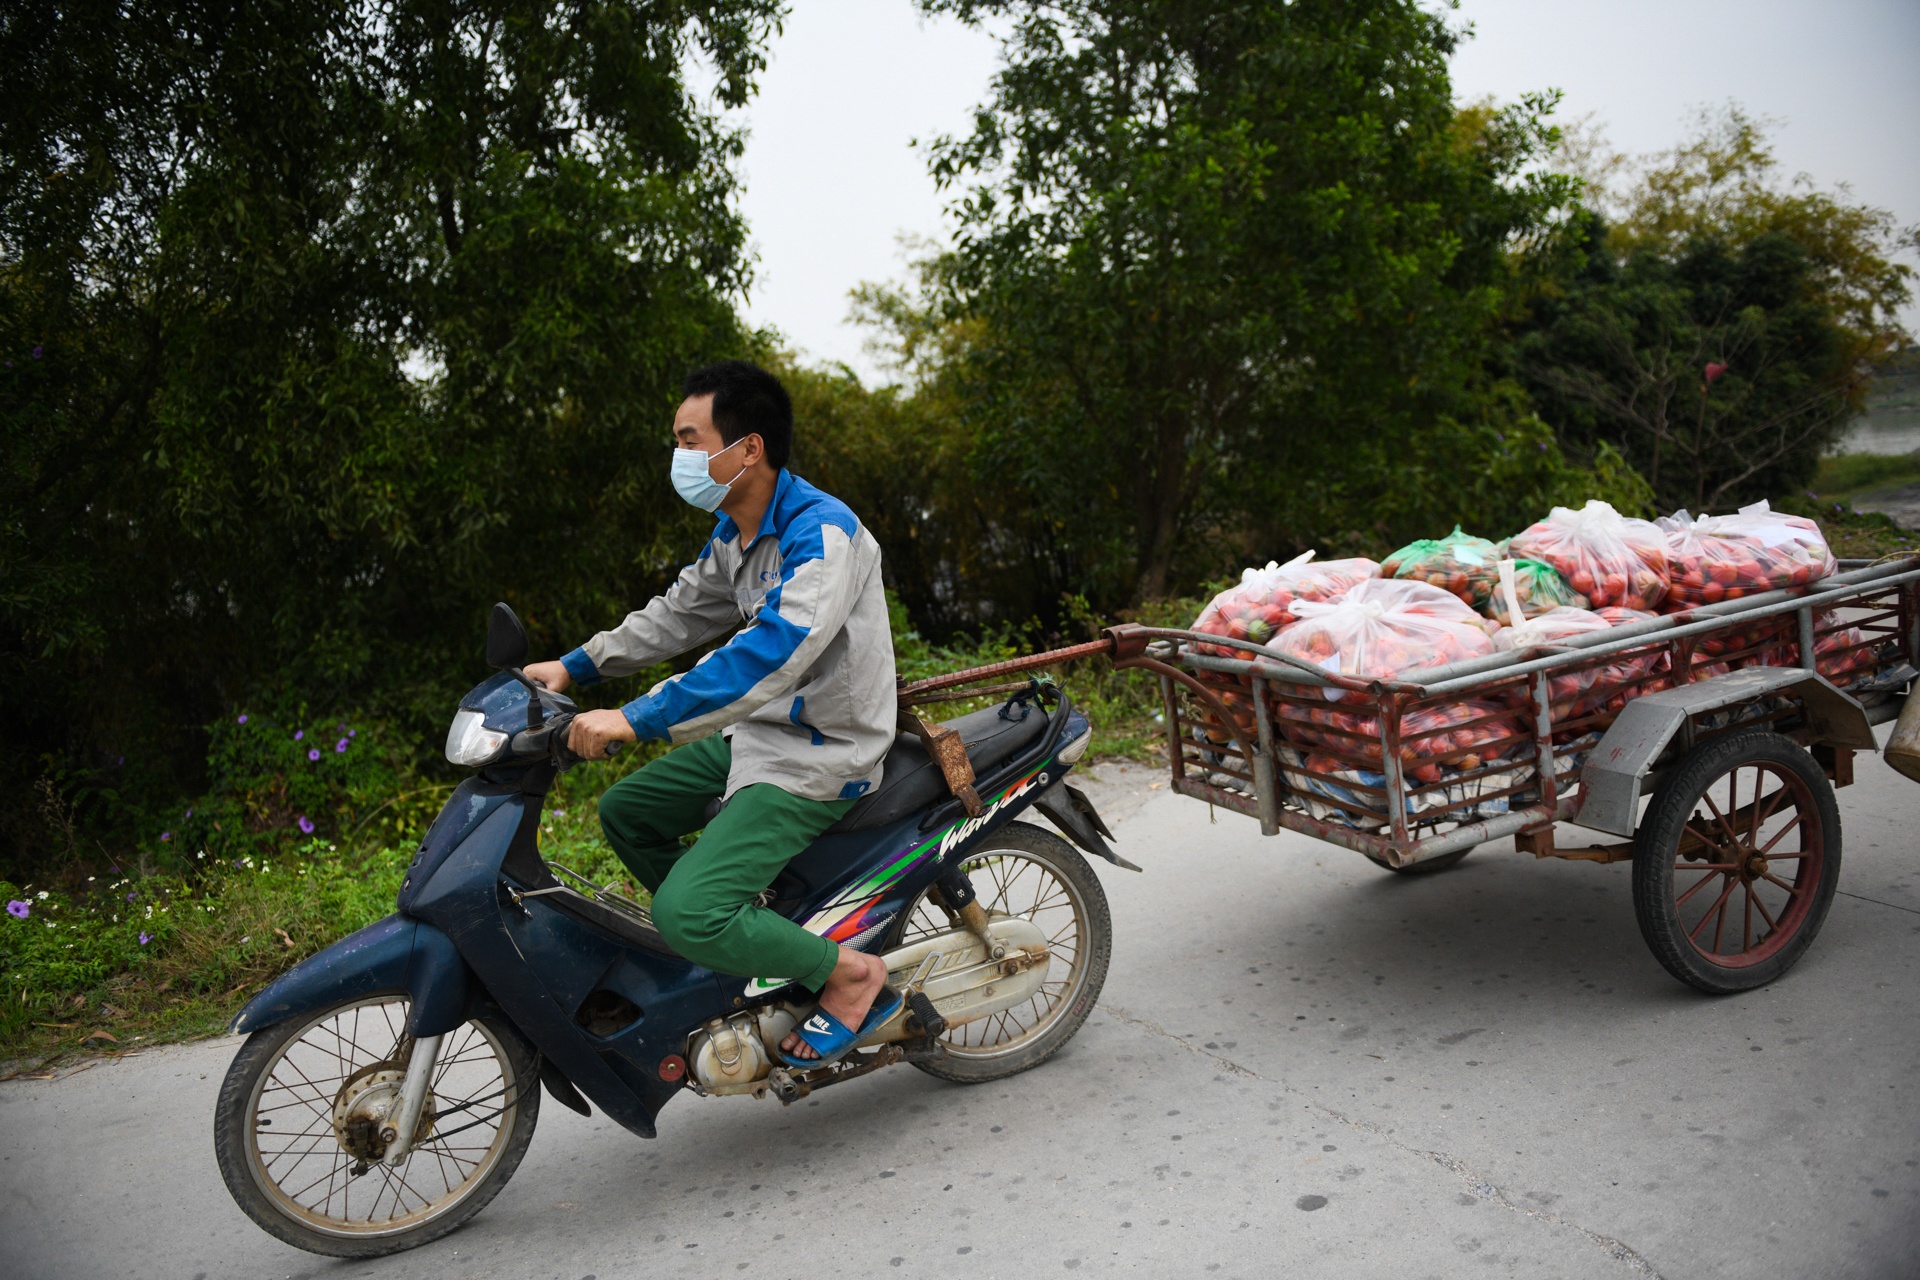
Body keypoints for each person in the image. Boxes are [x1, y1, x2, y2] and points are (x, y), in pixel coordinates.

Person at [522, 360, 900, 1065]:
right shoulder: (735, 535)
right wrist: (575, 665)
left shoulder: (822, 532)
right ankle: (747, 942)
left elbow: (768, 654)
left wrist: (635, 717)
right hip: (759, 733)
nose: (680, 456)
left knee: (686, 912)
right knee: (628, 812)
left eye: (689, 440)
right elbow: (676, 615)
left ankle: (849, 975)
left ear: (748, 448)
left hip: (822, 749)